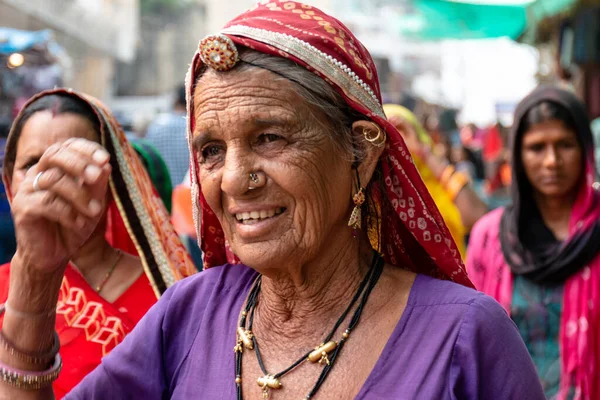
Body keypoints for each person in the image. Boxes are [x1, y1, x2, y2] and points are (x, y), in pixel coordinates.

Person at [0, 4, 544, 399]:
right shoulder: (188, 315)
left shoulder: (464, 337)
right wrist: (35, 276)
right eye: (211, 150)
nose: (234, 180)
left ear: (361, 150)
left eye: (271, 138)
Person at [0, 89, 196, 398]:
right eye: (33, 164)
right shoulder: (3, 285)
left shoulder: (171, 294)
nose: (53, 181)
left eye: (76, 163)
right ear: (9, 182)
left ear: (112, 180)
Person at [467, 86, 600, 399]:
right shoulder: (491, 237)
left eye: (565, 145)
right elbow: (472, 334)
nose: (552, 161)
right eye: (537, 147)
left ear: (585, 149)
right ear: (517, 155)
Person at [383, 104, 487, 255]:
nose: (395, 141)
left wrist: (422, 151)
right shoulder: (370, 192)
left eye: (399, 131)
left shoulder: (438, 183)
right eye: (386, 134)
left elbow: (477, 216)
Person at [144, 85, 189, 185]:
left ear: (176, 100)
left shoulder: (157, 125)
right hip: (189, 193)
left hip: (164, 191)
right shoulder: (194, 126)